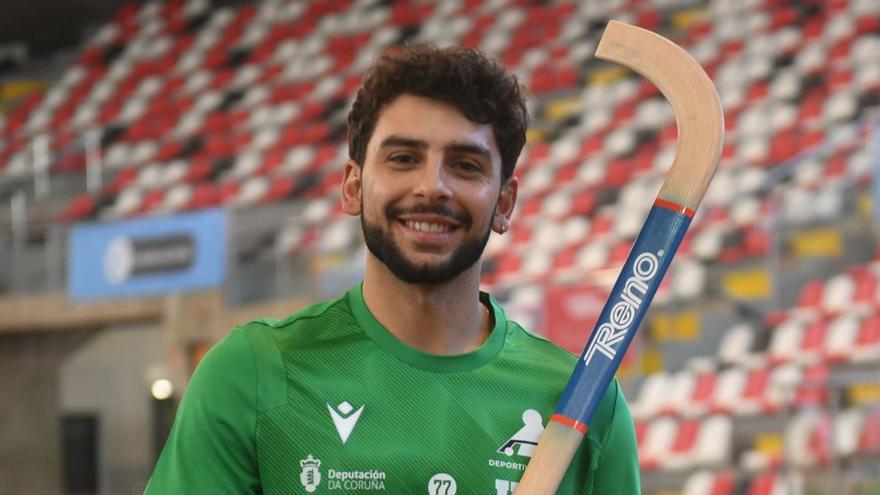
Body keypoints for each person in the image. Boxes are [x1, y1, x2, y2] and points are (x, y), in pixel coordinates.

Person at [146, 44, 640, 494]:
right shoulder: (251, 374)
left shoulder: (585, 403)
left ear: (504, 203)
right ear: (353, 187)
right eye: (403, 158)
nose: (432, 186)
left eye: (466, 165)